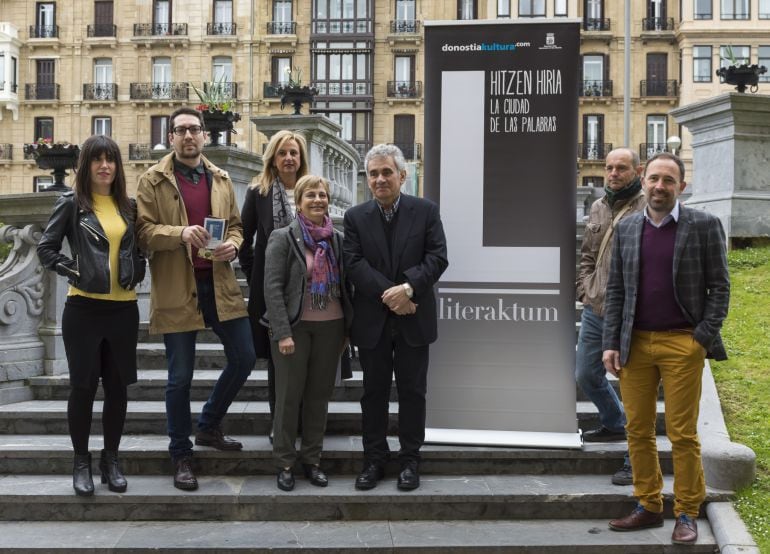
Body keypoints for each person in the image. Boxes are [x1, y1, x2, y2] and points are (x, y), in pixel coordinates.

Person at [602, 152, 730, 545]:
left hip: (682, 343)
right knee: (638, 430)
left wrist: (700, 339)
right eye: (654, 179)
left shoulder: (704, 226)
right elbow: (617, 291)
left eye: (668, 181)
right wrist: (610, 342)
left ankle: (688, 511)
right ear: (645, 181)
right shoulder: (626, 229)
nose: (659, 187)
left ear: (681, 186)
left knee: (682, 434)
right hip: (634, 344)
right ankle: (648, 504)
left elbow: (720, 287)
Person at [136, 107, 256, 491]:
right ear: (170, 136)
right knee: (179, 377)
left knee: (245, 356)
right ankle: (180, 454)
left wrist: (234, 247)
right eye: (181, 130)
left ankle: (208, 425)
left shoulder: (220, 179)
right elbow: (143, 233)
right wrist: (180, 234)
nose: (189, 136)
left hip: (219, 285)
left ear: (205, 135)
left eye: (194, 130)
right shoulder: (151, 180)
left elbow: (236, 227)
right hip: (177, 286)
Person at [37, 135, 146, 496]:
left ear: (117, 166)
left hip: (123, 310)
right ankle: (80, 461)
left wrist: (139, 268)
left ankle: (110, 460)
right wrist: (75, 271)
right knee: (82, 387)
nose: (104, 166)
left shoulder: (128, 206)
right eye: (97, 160)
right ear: (86, 166)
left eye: (110, 160)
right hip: (83, 309)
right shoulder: (72, 204)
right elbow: (46, 248)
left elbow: (137, 248)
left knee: (117, 389)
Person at [343, 144, 448, 491]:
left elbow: (437, 257)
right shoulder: (355, 217)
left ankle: (409, 460)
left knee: (412, 393)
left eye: (386, 172)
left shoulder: (426, 211)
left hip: (413, 320)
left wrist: (409, 289)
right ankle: (374, 459)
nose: (380, 179)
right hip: (373, 321)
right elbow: (353, 263)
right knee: (372, 393)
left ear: (402, 176)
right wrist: (393, 295)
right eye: (373, 173)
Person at [263, 175, 353, 491]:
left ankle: (312, 460)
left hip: (332, 328)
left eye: (322, 195)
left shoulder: (338, 240)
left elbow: (346, 287)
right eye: (310, 195)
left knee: (318, 398)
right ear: (298, 202)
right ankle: (285, 463)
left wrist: (347, 331)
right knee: (288, 398)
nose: (318, 200)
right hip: (294, 329)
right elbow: (272, 288)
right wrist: (282, 332)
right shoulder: (282, 237)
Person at [576, 147, 646, 486]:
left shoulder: (648, 207)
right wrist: (585, 289)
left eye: (621, 167)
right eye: (609, 167)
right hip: (596, 308)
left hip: (634, 315)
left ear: (638, 170)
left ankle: (634, 458)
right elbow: (587, 254)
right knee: (586, 374)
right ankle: (613, 421)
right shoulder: (598, 206)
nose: (614, 173)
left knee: (635, 390)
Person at [239, 130, 309, 439]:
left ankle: (306, 420)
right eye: (282, 153)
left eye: (294, 152)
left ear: (301, 157)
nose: (289, 158)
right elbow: (244, 239)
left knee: (308, 354)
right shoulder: (259, 193)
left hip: (309, 290)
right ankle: (279, 422)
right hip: (273, 290)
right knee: (278, 359)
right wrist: (261, 275)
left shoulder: (313, 189)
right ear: (273, 158)